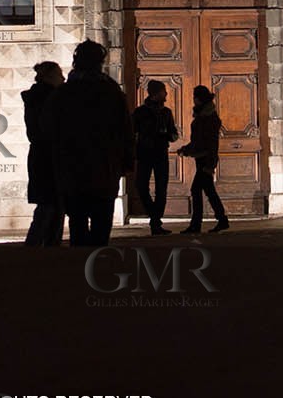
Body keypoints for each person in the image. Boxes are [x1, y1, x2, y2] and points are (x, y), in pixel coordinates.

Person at [47, 40, 131, 247]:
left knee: (77, 222)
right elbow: (125, 129)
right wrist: (127, 162)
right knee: (102, 224)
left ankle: (80, 266)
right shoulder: (111, 91)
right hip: (105, 166)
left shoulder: (63, 94)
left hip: (73, 168)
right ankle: (97, 266)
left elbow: (50, 130)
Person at [22, 61, 66, 246]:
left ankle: (43, 244)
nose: (63, 78)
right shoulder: (51, 99)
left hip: (43, 155)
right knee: (51, 203)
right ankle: (42, 244)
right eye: (59, 74)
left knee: (50, 203)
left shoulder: (38, 98)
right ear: (49, 77)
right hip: (50, 156)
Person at [178, 85, 229, 234]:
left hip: (206, 159)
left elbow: (210, 143)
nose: (193, 100)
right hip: (202, 158)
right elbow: (198, 141)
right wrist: (186, 150)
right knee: (208, 190)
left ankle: (196, 224)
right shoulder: (203, 116)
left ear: (199, 99)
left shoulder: (208, 118)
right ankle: (221, 220)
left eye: (195, 97)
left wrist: (210, 164)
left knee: (196, 189)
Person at [132, 80, 179, 235]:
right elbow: (131, 132)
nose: (166, 94)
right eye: (163, 91)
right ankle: (154, 214)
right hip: (144, 154)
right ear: (155, 93)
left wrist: (169, 135)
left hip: (160, 154)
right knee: (141, 186)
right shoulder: (140, 112)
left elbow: (173, 134)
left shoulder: (166, 113)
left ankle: (156, 222)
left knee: (161, 189)